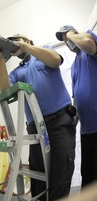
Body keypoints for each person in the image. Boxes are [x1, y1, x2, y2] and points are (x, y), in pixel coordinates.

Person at [0, 34, 76, 201]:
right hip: (35, 128)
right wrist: (0, 60)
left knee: (61, 173)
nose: (13, 43)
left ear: (29, 41)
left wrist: (24, 47)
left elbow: (55, 60)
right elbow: (5, 92)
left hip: (59, 122)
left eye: (17, 39)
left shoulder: (45, 51)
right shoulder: (18, 71)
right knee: (39, 177)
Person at [55, 25, 97, 189]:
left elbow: (87, 41)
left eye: (68, 38)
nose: (67, 42)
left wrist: (72, 35)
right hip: (86, 130)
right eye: (65, 41)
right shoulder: (74, 66)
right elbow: (76, 97)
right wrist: (72, 122)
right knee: (87, 175)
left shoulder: (89, 47)